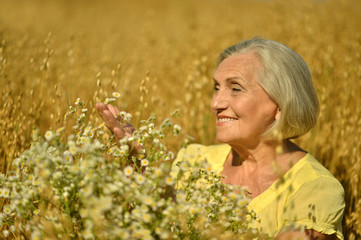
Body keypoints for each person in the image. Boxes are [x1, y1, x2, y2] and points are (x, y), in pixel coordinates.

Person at [96, 37, 345, 239]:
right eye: (216, 88)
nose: (215, 103)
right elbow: (161, 223)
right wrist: (140, 163)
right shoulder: (195, 160)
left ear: (280, 103)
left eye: (235, 88)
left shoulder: (315, 190)